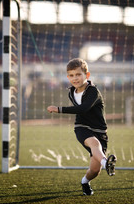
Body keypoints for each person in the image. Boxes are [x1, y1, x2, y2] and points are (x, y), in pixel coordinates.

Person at [47, 58, 116, 196]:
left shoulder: (93, 91)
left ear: (87, 75)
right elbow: (81, 113)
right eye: (71, 75)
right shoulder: (71, 92)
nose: (75, 78)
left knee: (94, 171)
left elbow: (83, 108)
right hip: (81, 127)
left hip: (100, 131)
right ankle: (105, 163)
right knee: (94, 143)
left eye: (78, 74)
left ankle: (85, 181)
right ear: (68, 77)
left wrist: (58, 109)